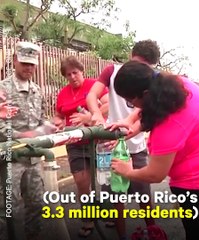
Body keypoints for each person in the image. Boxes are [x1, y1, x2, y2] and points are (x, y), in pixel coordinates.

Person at [110, 60, 199, 240]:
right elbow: (151, 108)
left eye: (130, 102)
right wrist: (131, 122)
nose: (133, 107)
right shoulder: (174, 85)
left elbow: (155, 174)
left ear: (146, 95)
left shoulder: (170, 124)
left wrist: (128, 171)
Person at [86, 39, 160, 240]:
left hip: (135, 147)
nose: (140, 73)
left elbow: (142, 109)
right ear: (130, 57)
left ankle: (153, 231)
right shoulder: (112, 70)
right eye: (137, 65)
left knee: (144, 195)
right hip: (109, 145)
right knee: (115, 196)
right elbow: (92, 95)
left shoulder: (153, 80)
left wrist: (129, 122)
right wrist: (96, 114)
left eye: (146, 69)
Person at [0, 41, 56, 240]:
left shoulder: (37, 90)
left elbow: (40, 119)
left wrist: (49, 127)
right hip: (11, 158)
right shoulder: (3, 89)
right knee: (9, 208)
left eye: (32, 64)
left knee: (36, 203)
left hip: (33, 158)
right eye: (24, 63)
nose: (28, 68)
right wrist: (20, 136)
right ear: (15, 60)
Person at [52, 56, 108, 237]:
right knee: (82, 184)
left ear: (81, 71)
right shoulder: (63, 92)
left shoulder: (93, 85)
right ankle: (88, 219)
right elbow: (58, 114)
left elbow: (108, 103)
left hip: (98, 141)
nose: (72, 77)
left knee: (105, 181)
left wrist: (89, 117)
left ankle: (108, 212)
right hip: (75, 144)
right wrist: (58, 122)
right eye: (68, 74)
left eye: (75, 72)